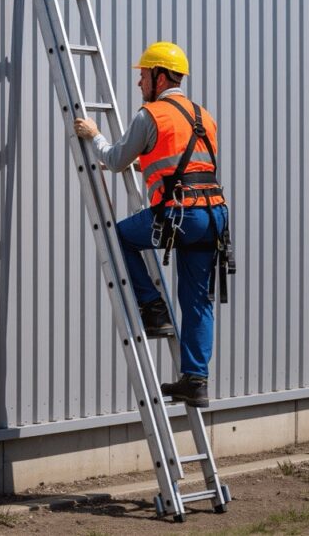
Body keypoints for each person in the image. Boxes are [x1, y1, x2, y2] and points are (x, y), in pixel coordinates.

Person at [73, 41, 229, 408]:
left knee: (117, 238)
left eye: (143, 76)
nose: (139, 83)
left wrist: (93, 134)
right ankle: (196, 381)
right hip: (214, 216)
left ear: (159, 77)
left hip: (180, 214)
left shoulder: (151, 114)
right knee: (196, 301)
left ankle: (152, 307)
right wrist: (142, 164)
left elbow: (112, 159)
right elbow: (185, 166)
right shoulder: (203, 116)